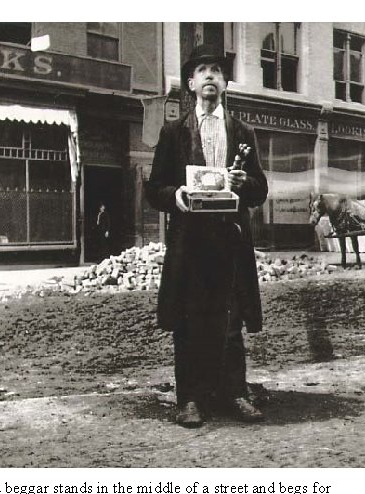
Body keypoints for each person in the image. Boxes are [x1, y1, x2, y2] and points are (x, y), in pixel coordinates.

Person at [144, 44, 269, 428]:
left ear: (225, 82)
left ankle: (234, 392)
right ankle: (191, 399)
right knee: (189, 319)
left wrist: (245, 181)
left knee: (230, 321)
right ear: (191, 83)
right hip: (190, 242)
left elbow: (260, 190)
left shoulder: (242, 131)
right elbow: (155, 189)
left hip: (230, 241)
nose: (211, 75)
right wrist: (176, 195)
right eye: (203, 70)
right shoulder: (174, 131)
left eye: (217, 69)